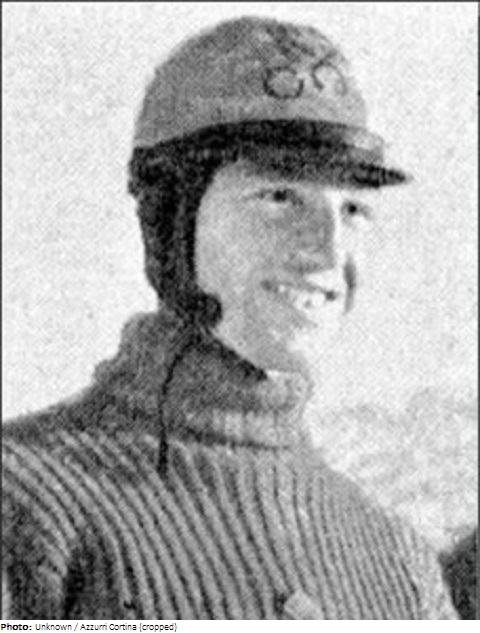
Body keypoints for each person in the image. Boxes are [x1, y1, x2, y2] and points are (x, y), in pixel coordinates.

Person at [2, 16, 458, 619]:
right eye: (280, 197)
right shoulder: (26, 505)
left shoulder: (401, 562)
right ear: (172, 221)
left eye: (351, 209)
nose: (328, 252)